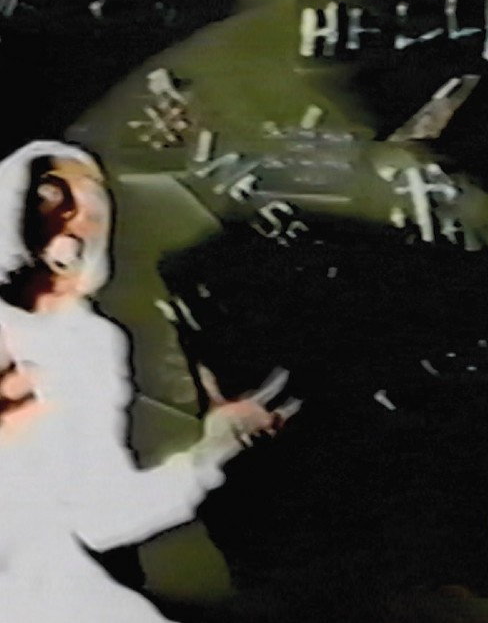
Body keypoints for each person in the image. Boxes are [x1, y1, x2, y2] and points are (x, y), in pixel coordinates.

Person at [0, 140, 296, 623]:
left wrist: (212, 451)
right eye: (48, 193)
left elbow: (100, 517)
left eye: (84, 193)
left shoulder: (87, 343)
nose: (71, 213)